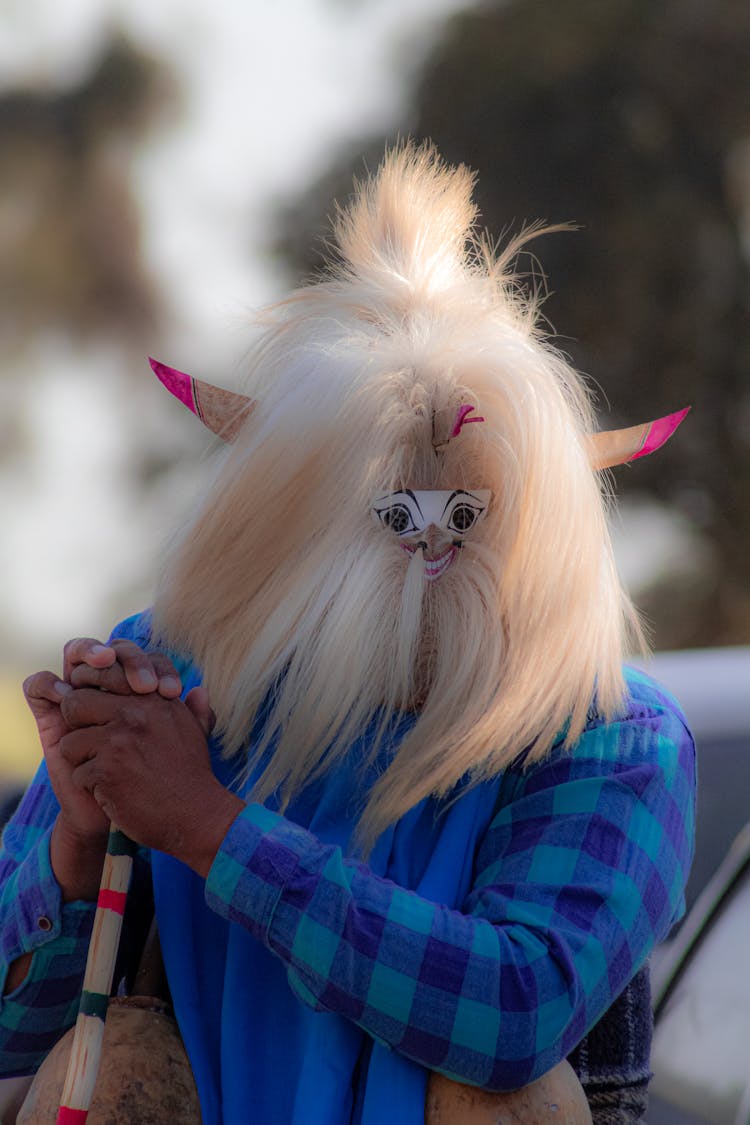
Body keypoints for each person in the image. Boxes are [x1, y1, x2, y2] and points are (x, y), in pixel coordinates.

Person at [0, 145, 695, 1124]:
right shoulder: (175, 670)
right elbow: (14, 1041)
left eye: (466, 520)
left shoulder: (610, 735)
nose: (425, 562)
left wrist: (209, 827)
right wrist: (77, 845)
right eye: (386, 516)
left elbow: (512, 1011)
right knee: (103, 1066)